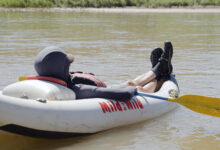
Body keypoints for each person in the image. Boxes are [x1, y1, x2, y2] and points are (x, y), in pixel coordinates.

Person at [34, 41, 173, 102]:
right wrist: (133, 91)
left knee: (130, 82)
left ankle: (158, 69)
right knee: (137, 87)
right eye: (68, 66)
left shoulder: (51, 80)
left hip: (100, 88)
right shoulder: (79, 89)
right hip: (100, 93)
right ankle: (160, 76)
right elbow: (123, 94)